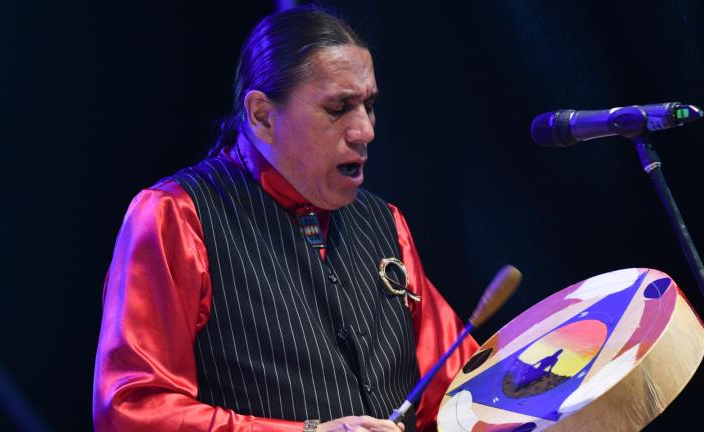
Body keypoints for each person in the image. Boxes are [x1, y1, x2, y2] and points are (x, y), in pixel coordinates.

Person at [93, 6, 478, 432]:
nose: (365, 130)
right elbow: (132, 409)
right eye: (339, 107)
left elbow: (457, 382)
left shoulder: (384, 222)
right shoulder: (177, 217)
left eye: (368, 105)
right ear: (261, 116)